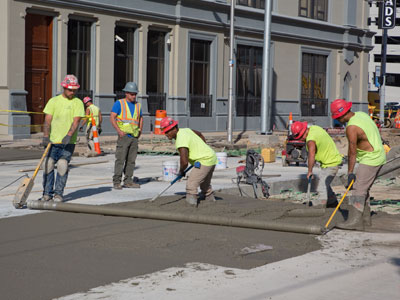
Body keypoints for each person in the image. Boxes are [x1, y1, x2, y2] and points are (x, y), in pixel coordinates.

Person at [331, 99, 386, 230]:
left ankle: (355, 222)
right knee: (364, 188)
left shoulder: (351, 127)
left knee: (358, 189)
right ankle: (365, 220)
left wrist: (350, 173)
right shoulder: (362, 115)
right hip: (378, 154)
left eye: (337, 117)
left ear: (341, 115)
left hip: (370, 158)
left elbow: (352, 152)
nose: (337, 120)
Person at [40, 75, 85, 202]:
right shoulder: (53, 101)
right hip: (52, 142)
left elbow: (76, 121)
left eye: (74, 90)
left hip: (68, 142)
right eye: (70, 90)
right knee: (48, 165)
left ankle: (58, 193)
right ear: (64, 88)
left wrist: (69, 135)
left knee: (62, 165)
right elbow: (47, 120)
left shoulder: (78, 103)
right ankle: (47, 193)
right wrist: (45, 136)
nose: (72, 92)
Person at [160, 117, 217, 206]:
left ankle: (190, 206)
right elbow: (200, 134)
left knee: (191, 185)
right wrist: (203, 147)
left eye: (167, 132)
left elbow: (184, 162)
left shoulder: (181, 140)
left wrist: (181, 171)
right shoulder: (186, 130)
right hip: (211, 157)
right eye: (165, 132)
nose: (166, 134)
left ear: (174, 128)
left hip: (204, 160)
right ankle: (210, 200)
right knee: (205, 184)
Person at [290, 121, 343, 208]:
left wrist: (310, 171)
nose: (302, 139)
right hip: (329, 161)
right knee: (324, 182)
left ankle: (320, 206)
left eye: (301, 137)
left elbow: (312, 154)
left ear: (305, 131)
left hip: (331, 163)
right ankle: (332, 202)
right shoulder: (314, 128)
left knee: (321, 186)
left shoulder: (311, 139)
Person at [110, 82, 143, 189]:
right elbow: (112, 117)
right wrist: (119, 131)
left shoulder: (138, 105)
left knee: (131, 160)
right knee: (120, 159)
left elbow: (140, 118)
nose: (134, 96)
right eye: (132, 94)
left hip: (134, 136)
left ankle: (128, 181)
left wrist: (140, 130)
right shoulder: (119, 103)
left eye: (135, 94)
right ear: (126, 93)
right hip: (123, 136)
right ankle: (117, 181)